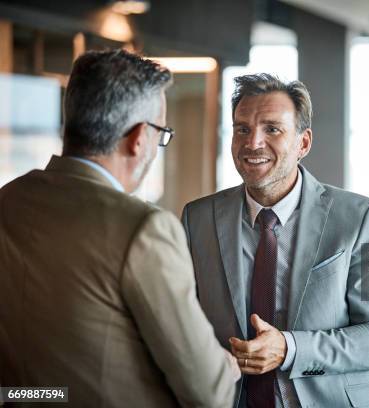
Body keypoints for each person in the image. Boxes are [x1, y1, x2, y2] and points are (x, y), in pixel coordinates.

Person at [0, 49, 238, 408]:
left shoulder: (8, 199)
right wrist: (227, 366)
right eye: (162, 133)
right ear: (140, 137)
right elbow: (210, 394)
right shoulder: (144, 229)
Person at [181, 73, 369, 407]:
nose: (253, 142)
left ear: (303, 143)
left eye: (272, 129)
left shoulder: (361, 218)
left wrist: (290, 349)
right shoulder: (197, 218)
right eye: (242, 128)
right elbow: (183, 321)